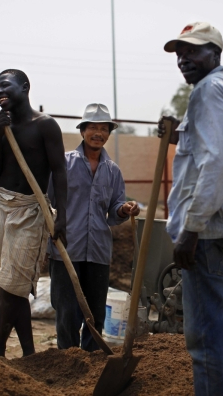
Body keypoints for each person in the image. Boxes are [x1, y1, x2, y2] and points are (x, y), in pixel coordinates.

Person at [158, 22, 223, 395]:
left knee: (203, 337)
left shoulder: (208, 92)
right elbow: (209, 147)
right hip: (217, 224)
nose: (183, 59)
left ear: (215, 54)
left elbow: (218, 161)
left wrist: (191, 229)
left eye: (193, 51)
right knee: (213, 317)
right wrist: (175, 136)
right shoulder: (222, 90)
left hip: (206, 229)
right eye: (179, 53)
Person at [0, 69, 67, 357]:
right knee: (9, 285)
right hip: (2, 206)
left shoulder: (45, 126)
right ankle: (26, 352)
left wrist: (62, 216)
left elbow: (59, 172)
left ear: (25, 87)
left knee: (13, 285)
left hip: (32, 209)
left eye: (4, 85)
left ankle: (0, 348)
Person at [47, 103, 140, 352]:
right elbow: (47, 202)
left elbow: (115, 207)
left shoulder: (113, 171)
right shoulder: (63, 164)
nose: (98, 133)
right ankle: (68, 359)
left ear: (109, 133)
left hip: (98, 249)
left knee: (96, 312)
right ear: (82, 131)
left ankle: (92, 359)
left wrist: (125, 209)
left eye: (103, 128)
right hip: (67, 248)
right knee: (67, 312)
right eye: (92, 128)